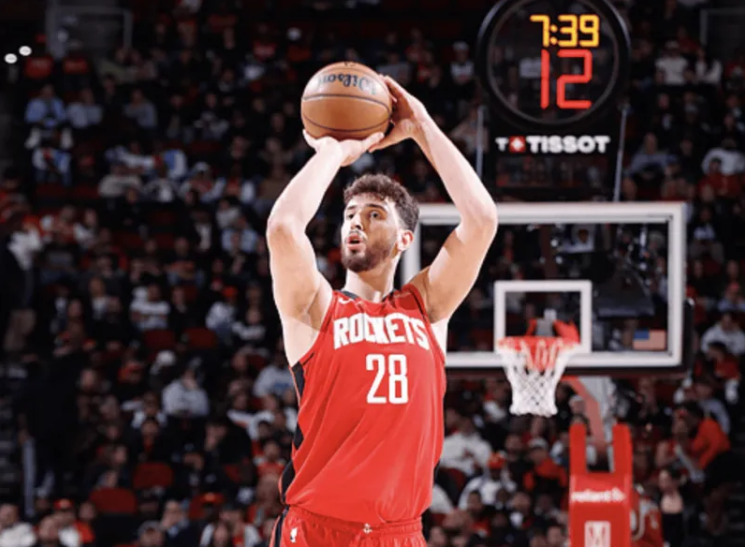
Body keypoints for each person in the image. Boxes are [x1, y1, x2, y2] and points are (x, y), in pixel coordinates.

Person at [266, 75, 498, 546]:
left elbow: (482, 221)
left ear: (404, 239)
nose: (357, 222)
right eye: (350, 215)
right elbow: (284, 227)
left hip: (398, 534)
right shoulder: (317, 308)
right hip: (316, 532)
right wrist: (333, 151)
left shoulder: (426, 308)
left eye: (374, 215)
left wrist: (422, 127)